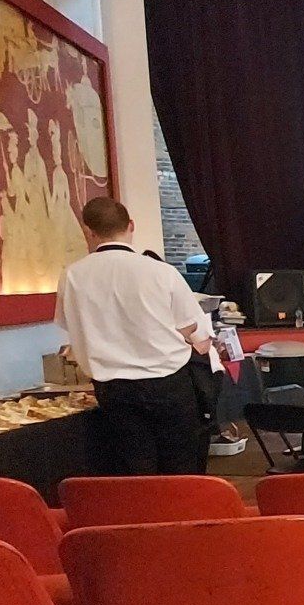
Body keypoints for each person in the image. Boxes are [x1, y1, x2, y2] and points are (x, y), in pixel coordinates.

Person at [55, 197, 215, 475]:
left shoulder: (72, 276)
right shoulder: (161, 272)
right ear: (131, 225)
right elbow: (195, 329)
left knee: (134, 469)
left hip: (114, 388)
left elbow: (70, 325)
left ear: (89, 231)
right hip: (168, 381)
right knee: (180, 468)